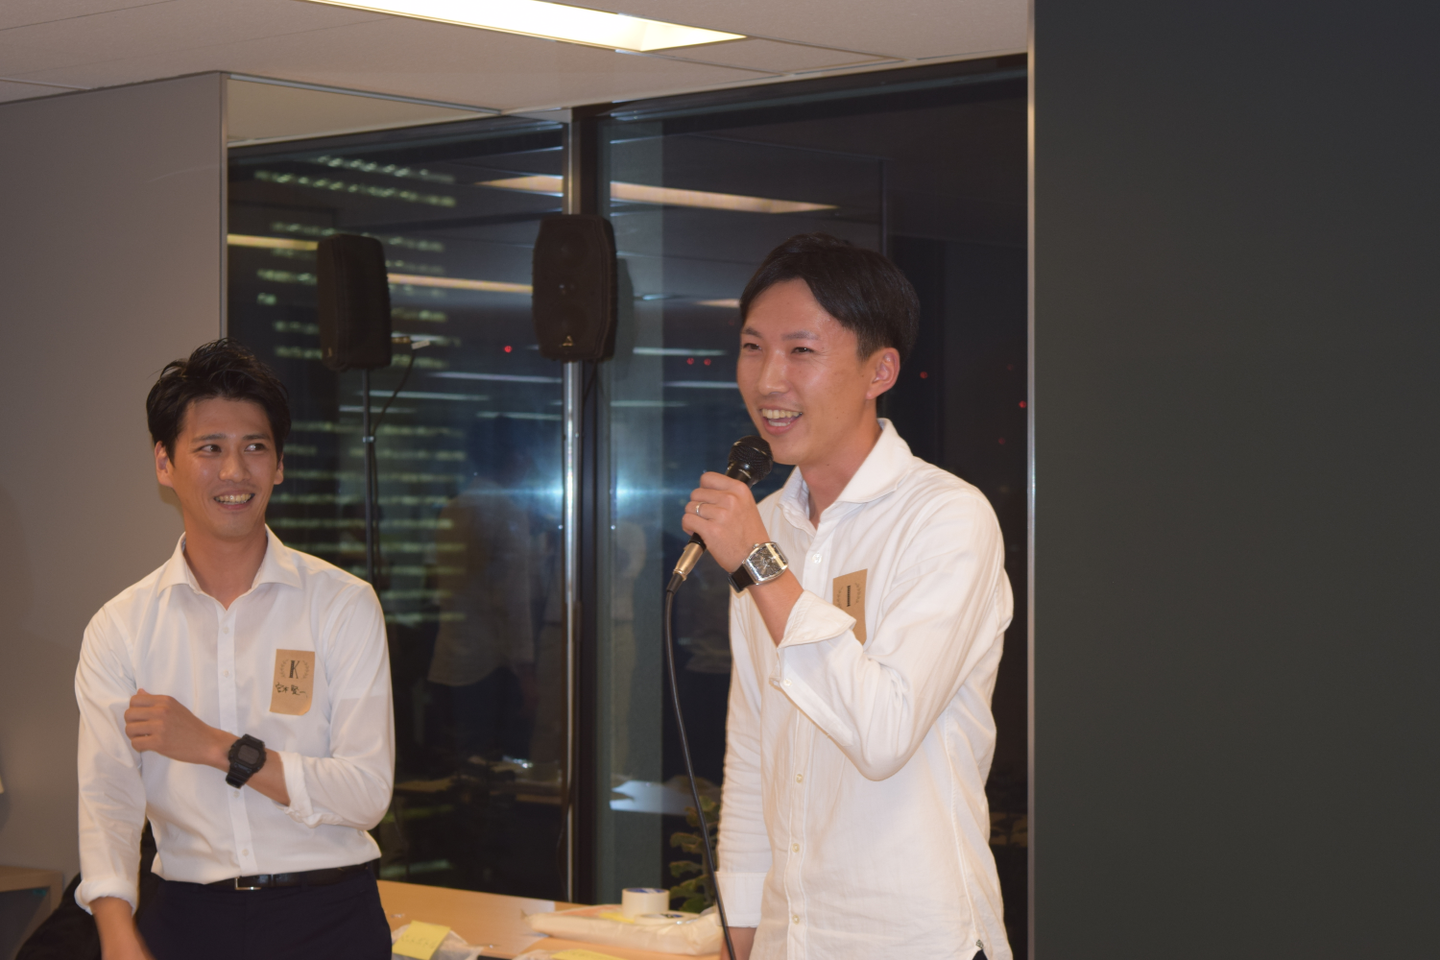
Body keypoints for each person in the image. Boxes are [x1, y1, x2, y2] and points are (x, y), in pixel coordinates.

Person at [680, 234, 1013, 960]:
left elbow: (883, 733)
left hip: (916, 937)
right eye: (753, 348)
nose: (769, 380)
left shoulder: (945, 517)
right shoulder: (769, 524)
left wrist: (761, 565)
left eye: (801, 351)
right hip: (788, 936)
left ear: (879, 370)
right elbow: (754, 741)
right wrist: (742, 922)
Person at [74, 339, 395, 960]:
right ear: (164, 463)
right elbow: (107, 798)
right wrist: (115, 932)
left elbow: (366, 792)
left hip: (330, 918)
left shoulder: (342, 604)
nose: (234, 472)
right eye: (210, 448)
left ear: (279, 465)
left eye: (254, 447)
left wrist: (216, 747)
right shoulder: (121, 627)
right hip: (188, 919)